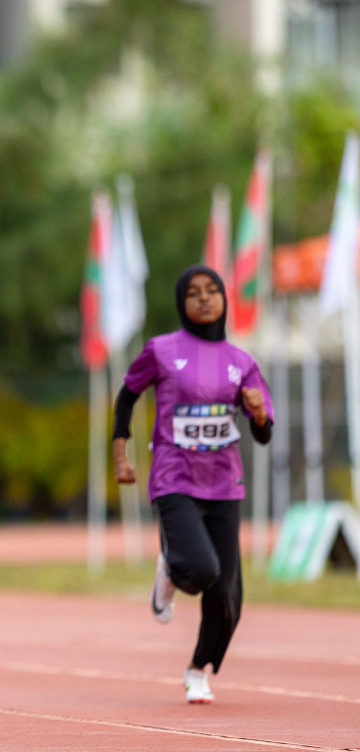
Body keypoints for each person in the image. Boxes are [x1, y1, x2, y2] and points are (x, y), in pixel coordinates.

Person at [114, 264, 272, 705]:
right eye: (193, 293)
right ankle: (173, 568)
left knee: (226, 595)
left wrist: (258, 413)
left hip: (224, 484)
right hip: (174, 478)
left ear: (224, 299)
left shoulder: (243, 363)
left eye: (212, 291)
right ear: (182, 303)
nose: (204, 299)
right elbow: (128, 395)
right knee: (201, 570)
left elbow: (263, 434)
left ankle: (198, 668)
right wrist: (120, 453)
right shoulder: (162, 350)